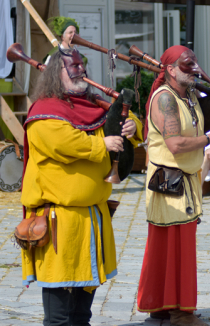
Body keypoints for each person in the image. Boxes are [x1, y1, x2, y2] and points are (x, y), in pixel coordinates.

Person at [20, 47, 142, 325]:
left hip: (92, 220)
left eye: (82, 66)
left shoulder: (93, 104)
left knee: (81, 314)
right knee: (59, 317)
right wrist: (101, 144)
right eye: (73, 67)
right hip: (59, 223)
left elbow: (123, 118)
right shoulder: (44, 112)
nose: (81, 71)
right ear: (55, 74)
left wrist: (132, 127)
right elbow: (62, 143)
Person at [137, 46, 210, 325]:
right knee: (173, 248)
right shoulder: (165, 100)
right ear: (169, 70)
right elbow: (176, 144)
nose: (193, 69)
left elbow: (193, 127)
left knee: (172, 247)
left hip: (183, 181)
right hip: (169, 182)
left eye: (195, 64)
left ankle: (161, 307)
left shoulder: (189, 95)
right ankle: (181, 312)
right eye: (186, 65)